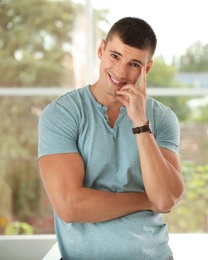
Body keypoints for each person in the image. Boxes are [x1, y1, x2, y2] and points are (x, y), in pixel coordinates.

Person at [38, 17, 184, 260]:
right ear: (101, 50)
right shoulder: (62, 114)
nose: (121, 72)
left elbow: (165, 198)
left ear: (146, 68)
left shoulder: (162, 118)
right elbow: (69, 206)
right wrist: (145, 200)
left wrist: (140, 122)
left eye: (134, 64)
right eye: (115, 56)